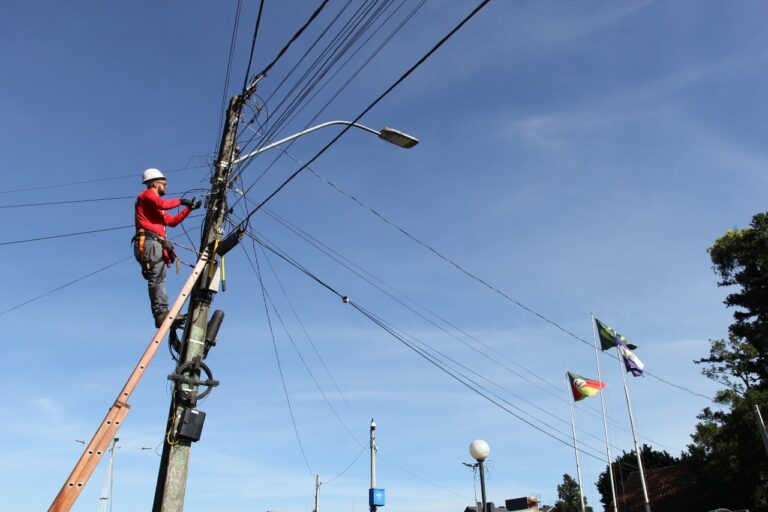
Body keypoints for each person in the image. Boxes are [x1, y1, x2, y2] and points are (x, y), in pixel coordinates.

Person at [134, 168, 201, 328]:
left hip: (156, 244)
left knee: (160, 279)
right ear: (155, 183)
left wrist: (188, 209)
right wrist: (181, 201)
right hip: (150, 242)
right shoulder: (147, 195)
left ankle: (163, 313)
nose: (166, 187)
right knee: (156, 279)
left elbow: (172, 222)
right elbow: (161, 203)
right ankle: (160, 314)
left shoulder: (157, 208)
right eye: (164, 184)